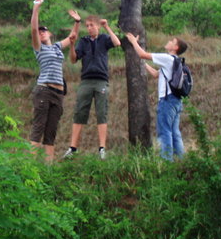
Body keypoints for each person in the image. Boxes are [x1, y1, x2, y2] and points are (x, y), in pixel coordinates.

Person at [63, 15, 121, 160]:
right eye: (87, 26)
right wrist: (71, 45)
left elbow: (117, 43)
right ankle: (72, 148)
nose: (89, 28)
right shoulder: (83, 41)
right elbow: (73, 59)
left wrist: (107, 26)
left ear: (98, 26)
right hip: (86, 82)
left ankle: (102, 149)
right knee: (79, 113)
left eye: (92, 25)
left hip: (101, 81)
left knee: (102, 113)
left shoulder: (104, 39)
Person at [30, 0, 80, 162]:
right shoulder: (39, 48)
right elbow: (32, 30)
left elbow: (72, 37)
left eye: (44, 30)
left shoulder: (57, 47)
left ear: (50, 33)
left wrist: (77, 22)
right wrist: (36, 8)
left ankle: (48, 169)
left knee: (51, 132)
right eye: (39, 31)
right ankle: (30, 167)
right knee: (38, 128)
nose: (41, 32)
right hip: (44, 91)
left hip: (58, 94)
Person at [125, 32, 189, 161]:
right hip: (176, 101)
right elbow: (155, 74)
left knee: (164, 132)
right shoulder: (175, 62)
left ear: (175, 48)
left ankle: (166, 161)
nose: (169, 41)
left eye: (172, 41)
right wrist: (140, 59)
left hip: (167, 100)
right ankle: (182, 161)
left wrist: (133, 42)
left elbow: (143, 54)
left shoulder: (167, 58)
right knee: (175, 132)